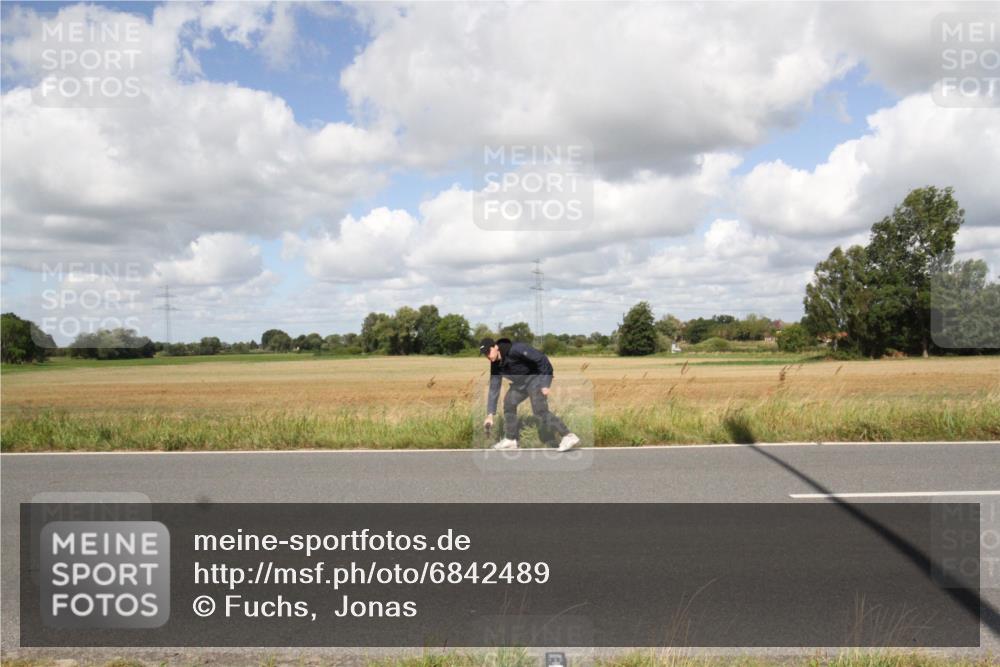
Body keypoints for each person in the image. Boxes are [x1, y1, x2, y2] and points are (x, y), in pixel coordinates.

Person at [480, 337, 581, 451]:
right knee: (509, 402)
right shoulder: (495, 365)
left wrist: (545, 383)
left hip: (535, 379)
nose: (488, 356)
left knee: (539, 409)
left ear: (495, 347)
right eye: (485, 354)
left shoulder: (516, 349)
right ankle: (511, 439)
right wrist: (490, 414)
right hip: (520, 384)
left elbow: (542, 359)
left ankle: (568, 436)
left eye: (489, 351)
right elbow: (494, 388)